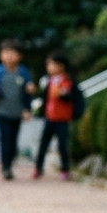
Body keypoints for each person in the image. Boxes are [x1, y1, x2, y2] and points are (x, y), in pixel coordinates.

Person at [0, 40, 32, 181]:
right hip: (2, 112)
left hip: (17, 112)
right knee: (5, 139)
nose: (10, 56)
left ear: (19, 56)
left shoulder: (23, 72)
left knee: (13, 140)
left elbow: (27, 93)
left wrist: (27, 109)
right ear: (1, 55)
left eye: (13, 53)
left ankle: (9, 165)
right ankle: (5, 168)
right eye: (6, 52)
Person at [34, 50, 76, 181]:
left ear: (61, 66)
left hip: (62, 119)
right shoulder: (48, 80)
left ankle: (65, 169)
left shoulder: (67, 80)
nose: (49, 67)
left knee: (62, 145)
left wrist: (63, 94)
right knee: (43, 144)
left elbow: (70, 96)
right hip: (49, 118)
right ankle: (38, 168)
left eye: (51, 64)